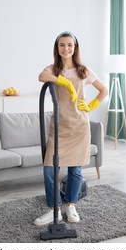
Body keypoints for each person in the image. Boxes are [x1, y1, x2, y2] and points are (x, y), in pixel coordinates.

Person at [34, 31, 108, 226]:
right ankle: (54, 209)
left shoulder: (84, 71)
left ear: (75, 48)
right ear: (57, 48)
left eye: (69, 45)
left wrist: (91, 105)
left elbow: (104, 90)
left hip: (79, 126)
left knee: (75, 170)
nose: (66, 48)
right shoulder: (52, 69)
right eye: (62, 45)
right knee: (50, 170)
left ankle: (71, 205)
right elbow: (42, 76)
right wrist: (64, 81)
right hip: (58, 126)